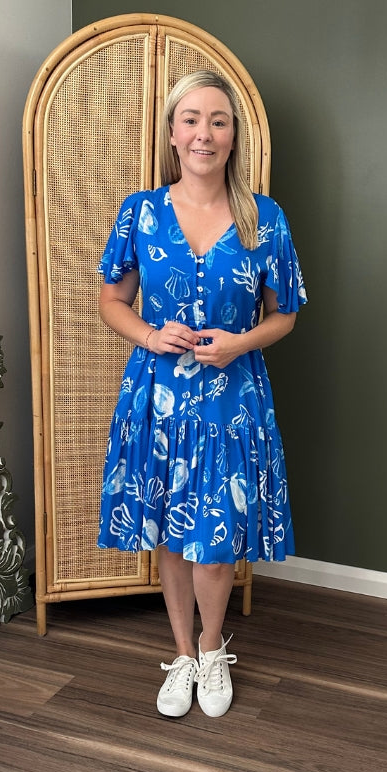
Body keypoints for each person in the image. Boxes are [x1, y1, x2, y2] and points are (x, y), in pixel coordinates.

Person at [96, 70, 307, 718]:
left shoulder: (263, 219)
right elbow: (111, 300)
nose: (203, 134)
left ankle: (214, 650)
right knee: (168, 530)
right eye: (190, 119)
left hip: (228, 401)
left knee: (213, 539)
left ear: (233, 135)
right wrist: (150, 334)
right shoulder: (141, 212)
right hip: (156, 397)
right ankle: (182, 654)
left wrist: (239, 343)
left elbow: (286, 313)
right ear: (171, 133)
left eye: (217, 120)